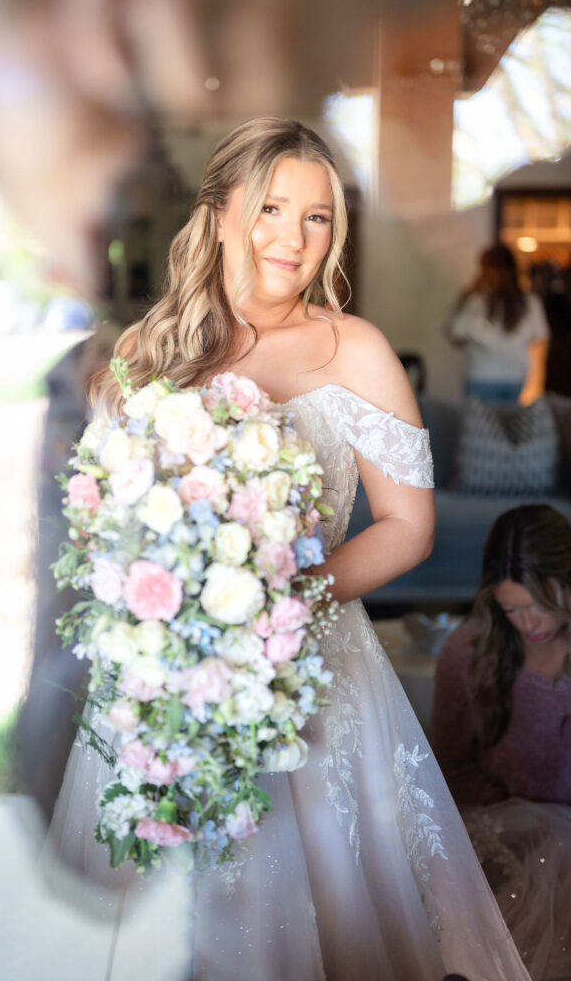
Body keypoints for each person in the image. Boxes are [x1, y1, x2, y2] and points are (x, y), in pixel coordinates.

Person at [48, 117, 531, 980]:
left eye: (317, 218)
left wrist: (278, 603)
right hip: (165, 683)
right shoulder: (144, 354)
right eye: (271, 208)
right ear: (219, 216)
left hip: (312, 676)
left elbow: (408, 527)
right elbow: (106, 519)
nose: (293, 238)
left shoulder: (355, 351)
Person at [432, 504, 571, 980]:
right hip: (502, 834)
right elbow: (450, 761)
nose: (530, 623)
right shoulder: (470, 650)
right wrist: (519, 822)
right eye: (512, 609)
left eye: (543, 604)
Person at [447, 243, 549, 404]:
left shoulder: (476, 300)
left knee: (482, 420)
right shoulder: (529, 302)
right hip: (515, 376)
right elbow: (539, 340)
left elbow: (456, 335)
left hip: (483, 375)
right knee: (509, 420)